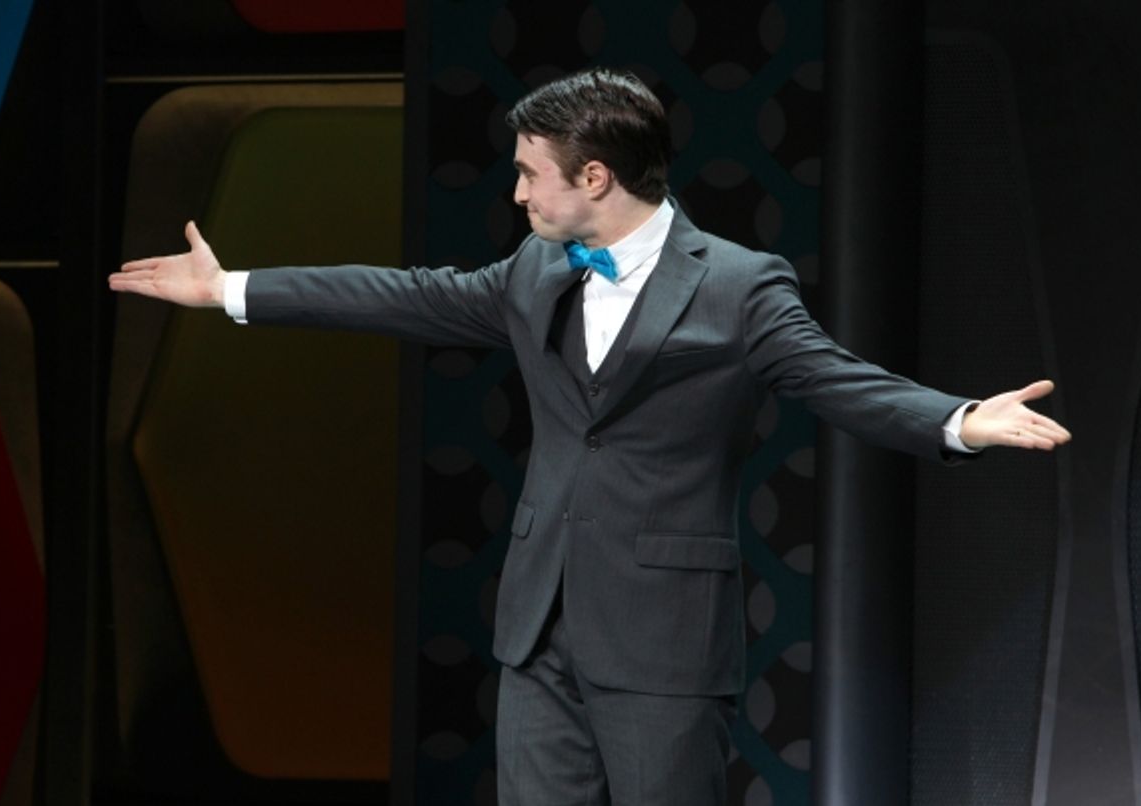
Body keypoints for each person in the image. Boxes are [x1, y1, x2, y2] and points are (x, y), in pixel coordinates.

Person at [110, 67, 1070, 806]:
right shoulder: (534, 269)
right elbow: (406, 294)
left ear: (595, 175)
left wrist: (957, 419)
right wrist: (232, 291)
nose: (518, 193)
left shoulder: (739, 283)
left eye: (530, 173)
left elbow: (832, 379)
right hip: (539, 630)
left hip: (662, 638)